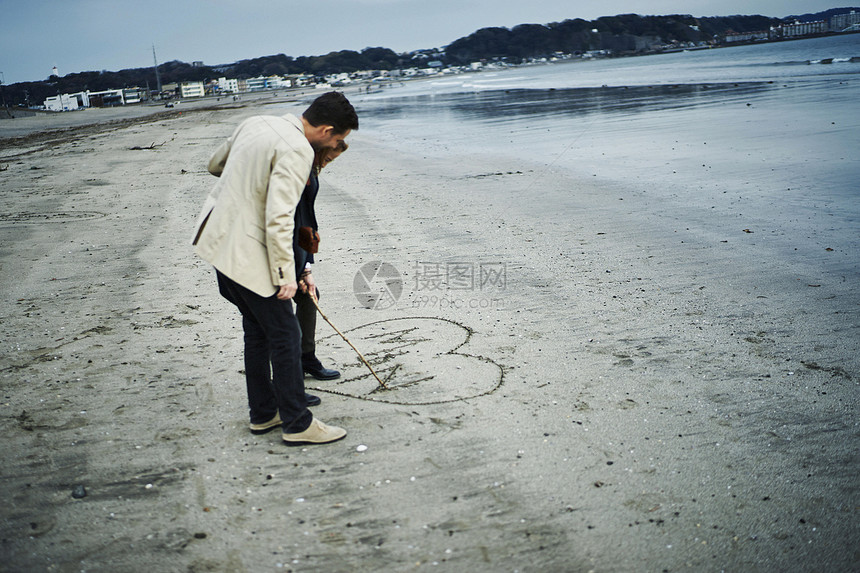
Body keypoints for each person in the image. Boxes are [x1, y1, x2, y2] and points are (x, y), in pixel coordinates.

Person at [192, 92, 358, 445]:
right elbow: (280, 217)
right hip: (250, 254)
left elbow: (215, 165)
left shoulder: (256, 123)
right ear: (327, 130)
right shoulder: (298, 150)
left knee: (257, 333)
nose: (338, 146)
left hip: (220, 243)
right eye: (339, 140)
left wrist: (249, 180)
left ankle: (264, 414)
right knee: (286, 335)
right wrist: (286, 276)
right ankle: (298, 423)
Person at [293, 142, 348, 382]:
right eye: (327, 159)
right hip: (276, 250)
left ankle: (305, 358)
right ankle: (290, 373)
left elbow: (306, 220)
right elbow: (294, 220)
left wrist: (306, 267)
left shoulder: (309, 169)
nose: (326, 165)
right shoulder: (298, 169)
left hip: (295, 248)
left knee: (308, 296)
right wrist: (301, 269)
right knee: (278, 312)